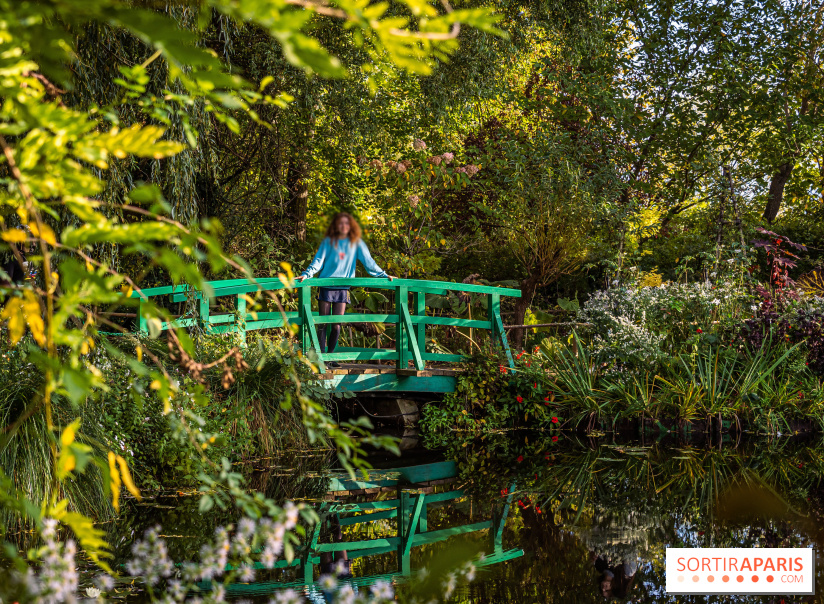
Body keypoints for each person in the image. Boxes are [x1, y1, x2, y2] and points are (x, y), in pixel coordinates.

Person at [296, 212, 393, 368]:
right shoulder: (328, 241)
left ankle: (330, 357)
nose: (343, 226)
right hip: (326, 287)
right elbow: (318, 261)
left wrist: (383, 275)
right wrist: (307, 274)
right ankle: (321, 358)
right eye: (340, 223)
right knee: (323, 323)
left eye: (346, 223)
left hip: (342, 289)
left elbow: (369, 262)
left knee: (336, 324)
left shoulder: (356, 243)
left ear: (350, 226)